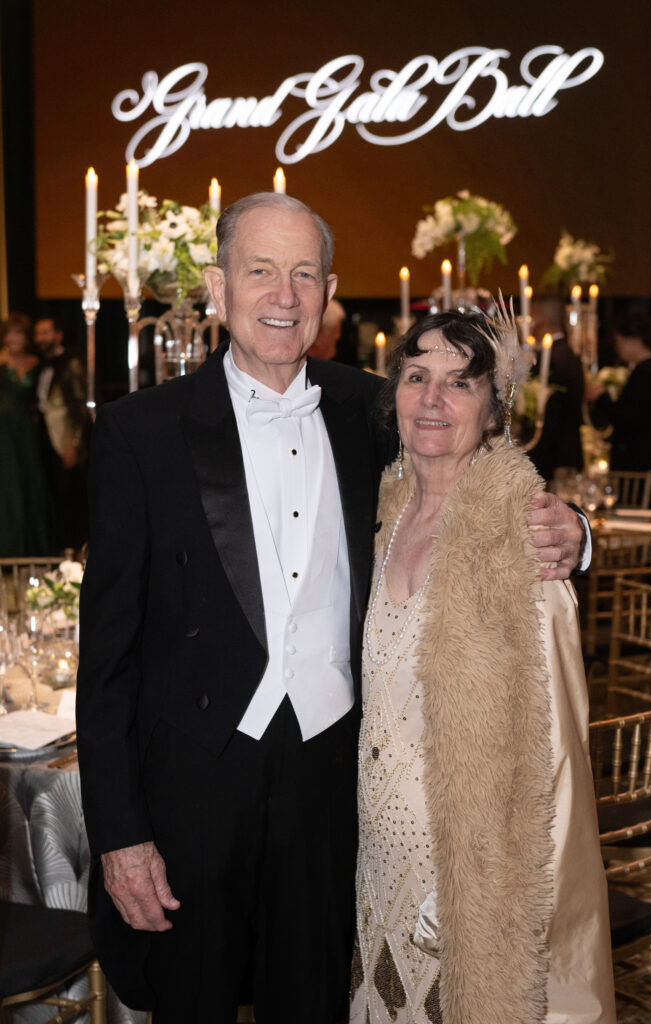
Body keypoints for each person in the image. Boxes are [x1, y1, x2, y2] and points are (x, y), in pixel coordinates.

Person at [76, 193, 588, 1024]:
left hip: (331, 781)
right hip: (190, 790)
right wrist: (119, 833)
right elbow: (104, 658)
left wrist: (579, 531)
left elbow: (478, 470)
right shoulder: (142, 432)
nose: (284, 294)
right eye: (260, 271)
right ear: (217, 285)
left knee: (315, 1000)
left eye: (304, 274)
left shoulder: (369, 408)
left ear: (329, 291)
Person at [351, 310, 615, 1024]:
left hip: (465, 868)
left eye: (459, 383)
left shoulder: (523, 538)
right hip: (371, 853)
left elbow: (556, 760)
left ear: (494, 409)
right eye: (416, 377)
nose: (432, 400)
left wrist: (496, 889)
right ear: (393, 395)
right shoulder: (375, 511)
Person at [588, 311, 651, 518]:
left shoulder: (646, 372)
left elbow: (629, 418)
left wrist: (601, 398)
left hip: (642, 465)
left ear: (634, 340)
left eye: (619, 341)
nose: (617, 348)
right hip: (649, 463)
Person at [34, 316, 90, 551]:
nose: (40, 338)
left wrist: (73, 444)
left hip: (65, 442)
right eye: (38, 334)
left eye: (46, 333)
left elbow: (79, 407)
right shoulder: (40, 365)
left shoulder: (72, 363)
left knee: (71, 499)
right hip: (45, 440)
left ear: (58, 335)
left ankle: (75, 553)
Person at [0, 313, 53, 556]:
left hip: (27, 430)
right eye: (10, 333)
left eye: (19, 333)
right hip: (3, 430)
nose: (14, 338)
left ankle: (34, 548)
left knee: (31, 482)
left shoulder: (37, 362)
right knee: (8, 485)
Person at [527, 298, 585, 482]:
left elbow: (553, 412)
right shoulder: (569, 354)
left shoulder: (551, 358)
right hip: (567, 451)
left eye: (531, 317)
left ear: (541, 319)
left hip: (552, 458)